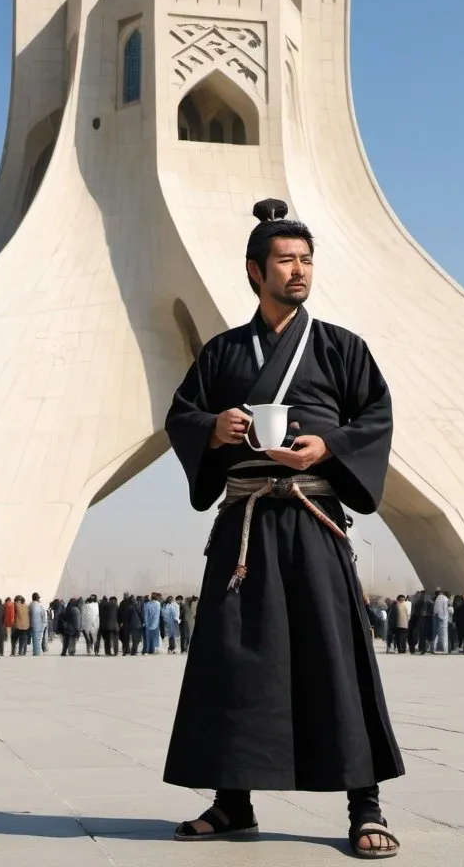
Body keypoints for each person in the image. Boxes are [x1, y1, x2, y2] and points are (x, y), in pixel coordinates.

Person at [162, 201, 402, 856]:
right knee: (232, 662)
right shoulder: (223, 353)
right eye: (286, 260)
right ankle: (232, 802)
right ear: (255, 271)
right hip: (244, 524)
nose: (299, 271)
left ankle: (366, 806)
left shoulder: (340, 349)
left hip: (314, 519)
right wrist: (212, 428)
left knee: (336, 655)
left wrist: (326, 450)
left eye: (306, 259)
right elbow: (180, 417)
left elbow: (375, 420)